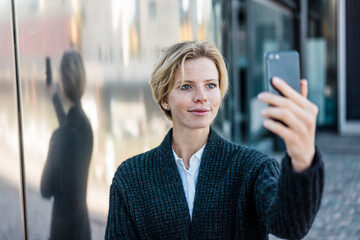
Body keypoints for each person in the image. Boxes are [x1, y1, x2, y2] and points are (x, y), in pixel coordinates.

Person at [105, 40, 324, 239]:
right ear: (164, 99)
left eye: (211, 85)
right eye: (186, 86)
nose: (202, 96)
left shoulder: (254, 168)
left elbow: (290, 226)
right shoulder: (131, 177)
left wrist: (302, 159)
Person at [41, 50, 93, 240]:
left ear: (62, 83)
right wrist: (54, 97)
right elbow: (69, 125)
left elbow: (45, 189)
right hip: (82, 228)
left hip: (63, 232)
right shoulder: (86, 126)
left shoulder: (60, 136)